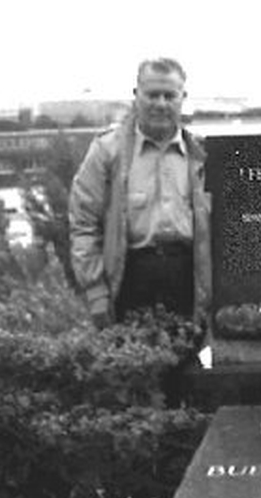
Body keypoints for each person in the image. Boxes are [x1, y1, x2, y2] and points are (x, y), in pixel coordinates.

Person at [69, 57, 211, 328]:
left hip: (187, 286)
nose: (160, 103)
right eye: (152, 95)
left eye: (169, 95)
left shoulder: (202, 156)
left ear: (183, 97)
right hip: (127, 285)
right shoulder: (106, 153)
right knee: (129, 367)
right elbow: (84, 226)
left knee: (190, 368)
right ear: (136, 96)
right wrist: (96, 293)